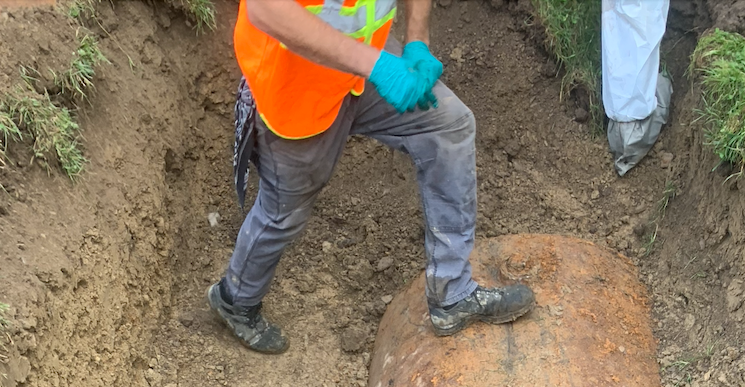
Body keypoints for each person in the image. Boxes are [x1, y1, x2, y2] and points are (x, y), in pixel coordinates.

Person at [209, 0, 535, 353]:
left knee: (448, 125)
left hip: (366, 66)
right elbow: (265, 10)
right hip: (297, 89)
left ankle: (452, 293)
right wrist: (377, 65)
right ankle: (235, 299)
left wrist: (416, 42)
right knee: (283, 213)